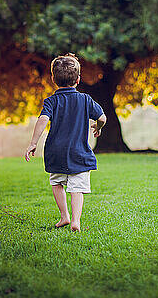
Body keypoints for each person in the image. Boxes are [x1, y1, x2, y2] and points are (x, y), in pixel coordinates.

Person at [24, 53, 106, 232]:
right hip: (79, 152)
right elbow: (102, 117)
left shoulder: (51, 101)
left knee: (56, 182)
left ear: (53, 79)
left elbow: (43, 119)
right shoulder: (85, 100)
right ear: (78, 80)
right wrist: (98, 127)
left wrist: (33, 142)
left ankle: (64, 216)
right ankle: (76, 220)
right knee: (77, 187)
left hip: (56, 151)